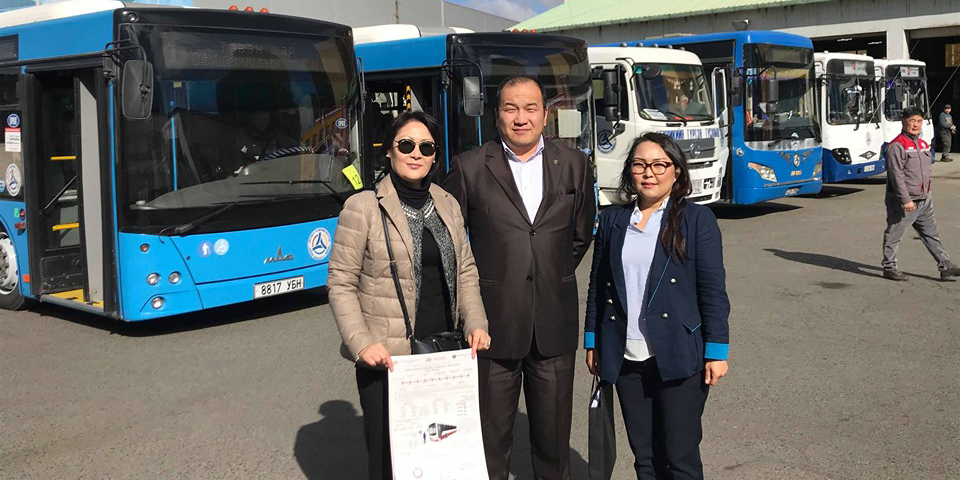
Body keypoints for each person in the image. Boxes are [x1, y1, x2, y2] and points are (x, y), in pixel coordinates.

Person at [443, 76, 596, 480]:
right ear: (497, 115)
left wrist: (546, 271)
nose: (521, 117)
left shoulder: (574, 164)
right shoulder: (469, 167)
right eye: (511, 108)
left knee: (554, 445)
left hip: (553, 323)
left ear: (545, 115)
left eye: (530, 108)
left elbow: (580, 235)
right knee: (488, 445)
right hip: (491, 327)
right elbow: (451, 243)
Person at [327, 110, 492, 480]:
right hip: (389, 359)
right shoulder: (363, 207)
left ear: (435, 156)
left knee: (443, 458)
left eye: (426, 147)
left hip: (444, 354)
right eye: (406, 145)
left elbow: (466, 270)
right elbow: (341, 282)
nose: (416, 153)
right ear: (389, 150)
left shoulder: (447, 203)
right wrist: (362, 343)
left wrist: (476, 322)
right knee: (391, 462)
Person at [584, 132, 730, 480]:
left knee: (680, 455)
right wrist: (592, 341)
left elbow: (713, 291)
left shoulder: (696, 220)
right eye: (639, 165)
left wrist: (717, 351)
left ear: (676, 171)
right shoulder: (613, 220)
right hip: (625, 355)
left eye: (659, 165)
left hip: (679, 352)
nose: (649, 173)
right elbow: (597, 285)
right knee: (645, 457)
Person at [882, 107, 960, 282]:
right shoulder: (897, 146)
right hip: (905, 201)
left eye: (919, 121)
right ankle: (889, 267)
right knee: (894, 234)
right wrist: (905, 199)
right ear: (904, 122)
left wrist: (928, 193)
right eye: (912, 121)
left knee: (931, 234)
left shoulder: (923, 144)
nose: (916, 125)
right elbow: (896, 176)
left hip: (924, 199)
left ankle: (945, 266)